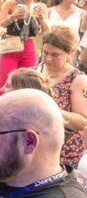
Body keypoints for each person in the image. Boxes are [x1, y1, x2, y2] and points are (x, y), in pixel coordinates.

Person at [37, 28, 87, 171]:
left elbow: (82, 121)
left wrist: (50, 109)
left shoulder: (78, 80)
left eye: (55, 55)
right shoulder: (36, 70)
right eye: (45, 52)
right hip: (35, 148)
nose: (48, 59)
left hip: (63, 153)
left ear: (69, 54)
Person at [0, 0, 47, 95]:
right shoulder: (11, 3)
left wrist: (42, 18)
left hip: (29, 46)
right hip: (11, 46)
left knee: (27, 84)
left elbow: (45, 32)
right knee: (4, 82)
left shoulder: (41, 7)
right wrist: (12, 17)